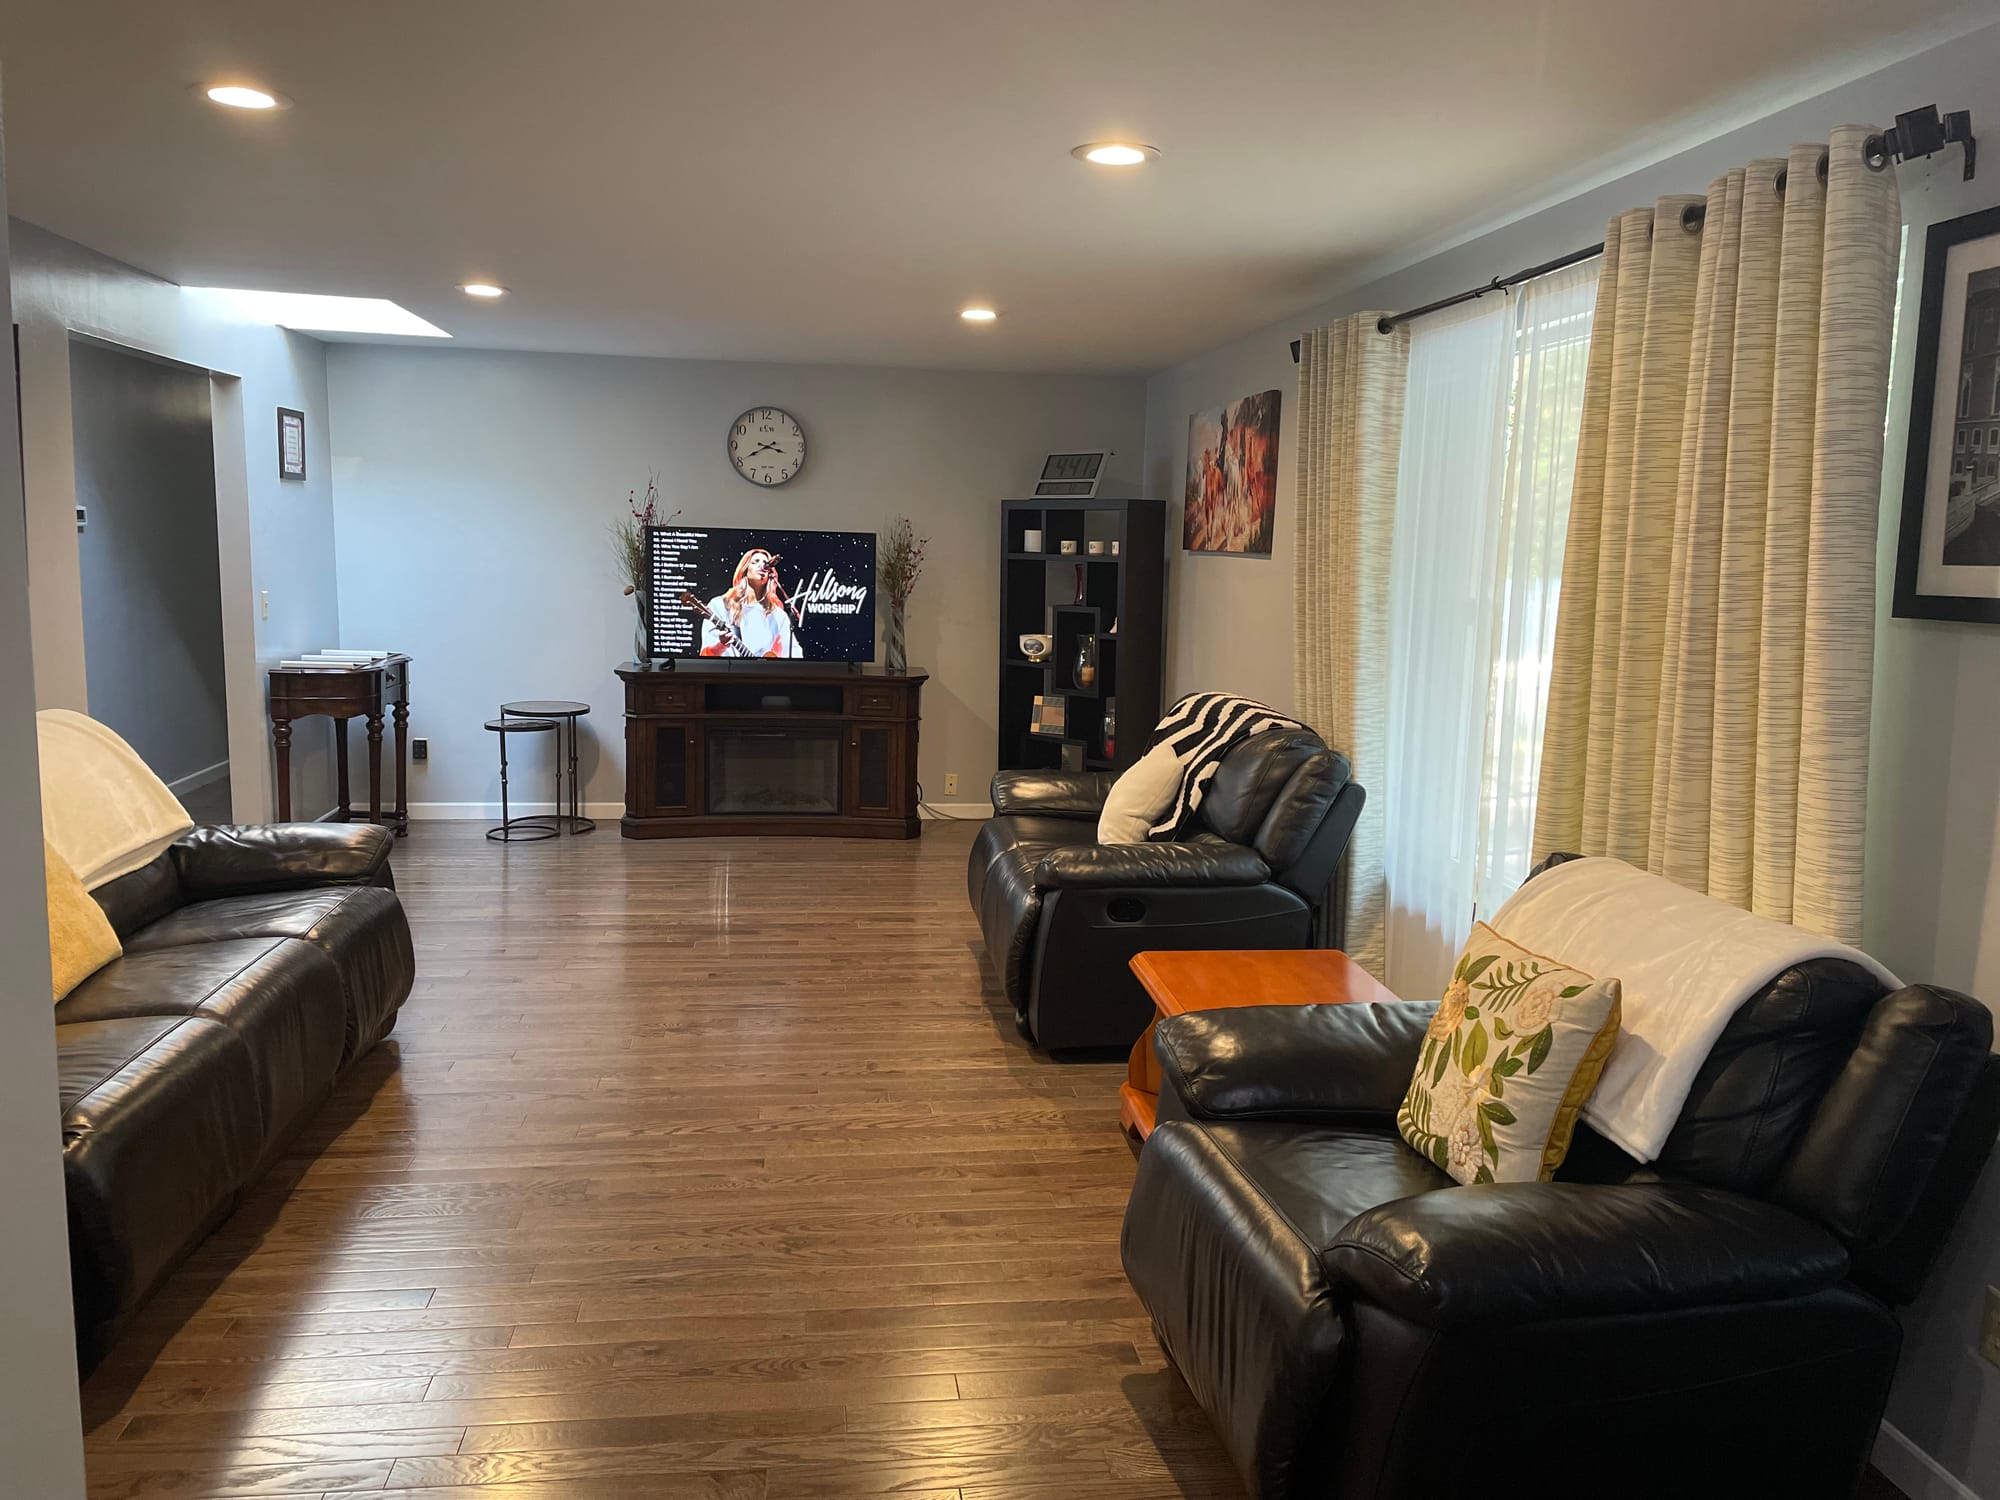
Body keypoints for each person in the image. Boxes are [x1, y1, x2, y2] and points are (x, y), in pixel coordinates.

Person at [701, 548, 801, 657]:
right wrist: (722, 645)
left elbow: (794, 654)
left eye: (765, 563)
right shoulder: (720, 605)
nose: (762, 565)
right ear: (745, 569)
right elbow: (707, 654)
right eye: (755, 562)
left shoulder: (778, 616)